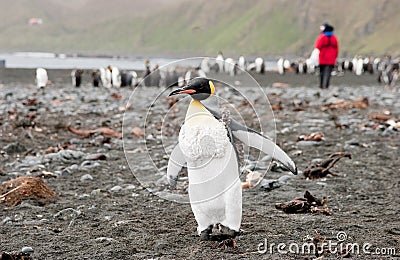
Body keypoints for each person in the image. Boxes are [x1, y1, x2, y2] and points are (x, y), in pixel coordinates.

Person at [315, 23, 339, 89]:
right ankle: (326, 85)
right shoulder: (334, 38)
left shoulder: (322, 37)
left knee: (322, 73)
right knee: (328, 73)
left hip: (322, 58)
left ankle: (321, 85)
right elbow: (336, 48)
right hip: (331, 59)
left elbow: (318, 46)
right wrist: (335, 56)